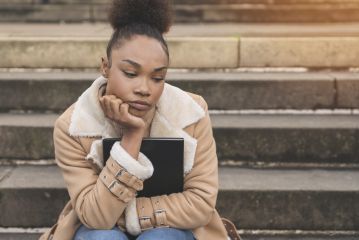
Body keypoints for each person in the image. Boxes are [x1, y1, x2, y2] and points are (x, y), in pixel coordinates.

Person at [39, 0, 240, 239]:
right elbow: (97, 218)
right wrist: (131, 138)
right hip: (100, 231)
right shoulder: (73, 126)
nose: (144, 89)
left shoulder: (191, 113)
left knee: (160, 237)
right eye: (131, 74)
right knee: (104, 237)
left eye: (157, 77)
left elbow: (200, 203)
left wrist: (129, 216)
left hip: (174, 229)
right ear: (105, 67)